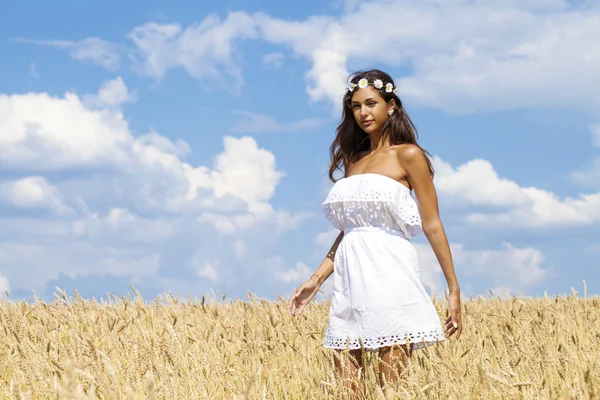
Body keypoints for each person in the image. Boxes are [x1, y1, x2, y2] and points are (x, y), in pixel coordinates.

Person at [288, 69, 462, 398]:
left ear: (391, 105)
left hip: (390, 273)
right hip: (349, 281)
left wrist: (453, 288)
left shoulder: (408, 155)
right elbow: (350, 231)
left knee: (390, 389)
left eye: (371, 103)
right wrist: (317, 278)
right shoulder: (354, 162)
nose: (363, 113)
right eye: (356, 106)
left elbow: (433, 223)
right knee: (346, 389)